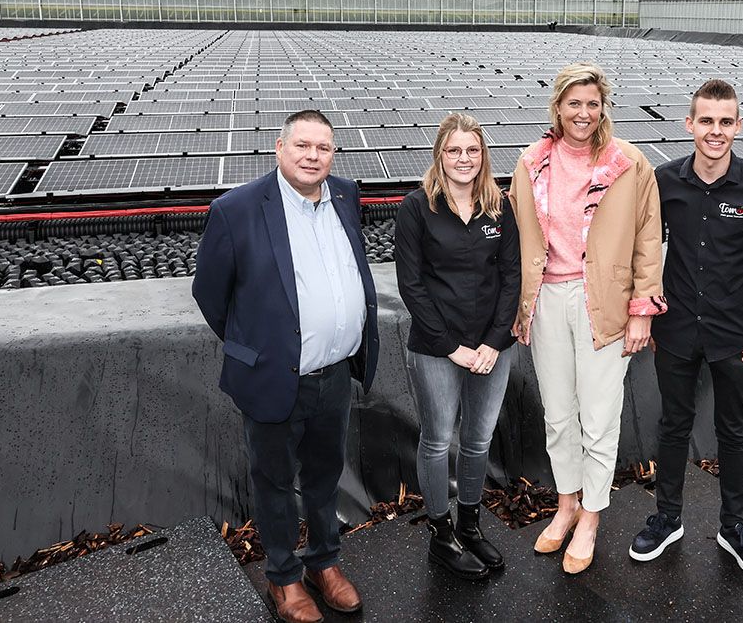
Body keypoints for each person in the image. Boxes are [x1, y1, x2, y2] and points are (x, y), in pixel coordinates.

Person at [192, 109, 379, 623]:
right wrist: (255, 347)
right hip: (275, 377)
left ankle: (324, 563)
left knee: (324, 477)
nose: (312, 156)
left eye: (323, 147)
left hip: (335, 374)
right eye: (302, 145)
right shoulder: (238, 209)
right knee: (274, 483)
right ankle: (284, 578)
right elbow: (210, 292)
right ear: (279, 148)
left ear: (333, 154)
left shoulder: (344, 195)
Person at [628, 79, 743, 580]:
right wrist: (640, 304)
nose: (715, 131)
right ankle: (667, 519)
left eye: (725, 121)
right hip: (677, 331)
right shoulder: (663, 182)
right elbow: (636, 248)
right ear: (689, 124)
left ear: (738, 126)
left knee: (733, 431)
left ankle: (734, 528)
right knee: (673, 425)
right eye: (706, 121)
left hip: (736, 338)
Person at [510, 62, 666, 575]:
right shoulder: (531, 162)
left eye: (592, 104)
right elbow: (517, 240)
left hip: (604, 301)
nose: (583, 113)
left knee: (599, 418)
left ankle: (592, 517)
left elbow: (648, 238)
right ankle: (567, 503)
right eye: (573, 103)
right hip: (548, 301)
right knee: (558, 415)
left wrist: (642, 310)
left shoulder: (629, 164)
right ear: (557, 107)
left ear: (604, 109)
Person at [394, 113, 521, 580]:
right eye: (454, 150)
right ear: (439, 155)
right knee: (436, 440)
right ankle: (441, 534)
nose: (464, 159)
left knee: (478, 439)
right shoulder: (416, 208)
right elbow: (411, 285)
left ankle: (469, 524)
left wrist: (492, 343)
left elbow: (512, 278)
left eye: (473, 150)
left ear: (483, 155)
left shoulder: (499, 207)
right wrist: (452, 348)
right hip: (436, 349)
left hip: (493, 348)